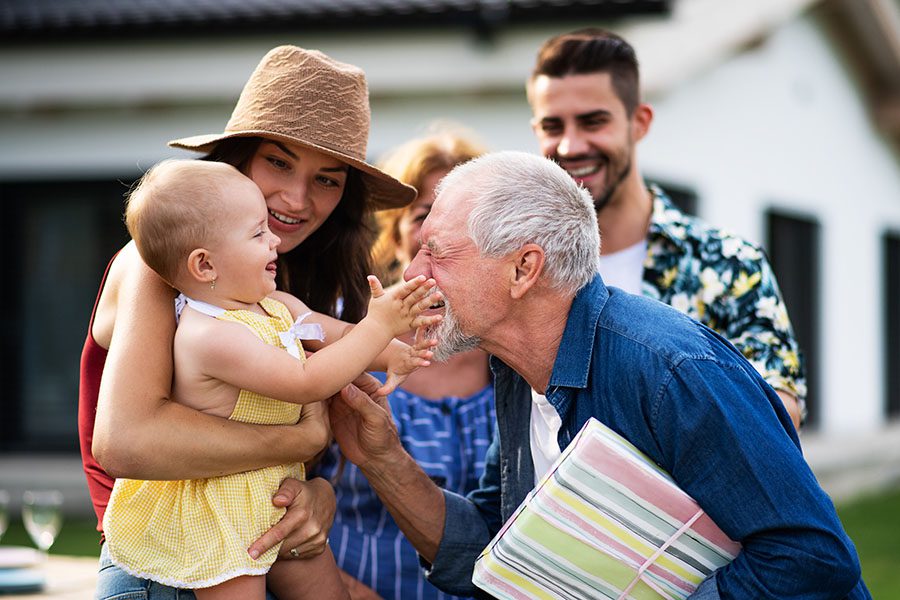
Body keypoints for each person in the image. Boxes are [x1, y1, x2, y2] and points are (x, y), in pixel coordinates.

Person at [328, 151, 871, 599]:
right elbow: (495, 549)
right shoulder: (516, 371)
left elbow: (812, 557)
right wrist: (382, 459)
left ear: (524, 268)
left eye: (437, 253)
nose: (414, 272)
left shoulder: (670, 372)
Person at [79, 45, 416, 599]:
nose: (295, 198)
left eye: (327, 180)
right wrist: (300, 437)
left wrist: (319, 496)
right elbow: (125, 442)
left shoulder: (292, 277)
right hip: (166, 564)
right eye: (278, 162)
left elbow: (321, 447)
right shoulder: (158, 264)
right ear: (237, 159)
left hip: (262, 542)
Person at [526, 28, 806, 429]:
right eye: (553, 127)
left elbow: (778, 416)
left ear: (639, 122)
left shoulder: (729, 265)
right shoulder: (521, 269)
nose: (570, 146)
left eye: (593, 122)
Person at [314, 128, 494, 600]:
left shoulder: (512, 361)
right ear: (396, 235)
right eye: (424, 216)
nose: (443, 233)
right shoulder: (339, 337)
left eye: (467, 219)